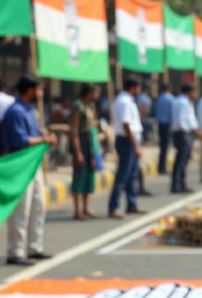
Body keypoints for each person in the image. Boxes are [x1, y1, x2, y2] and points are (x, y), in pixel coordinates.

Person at [0, 75, 57, 266]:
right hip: (20, 164)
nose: (41, 93)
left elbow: (34, 134)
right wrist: (44, 140)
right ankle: (15, 251)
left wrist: (44, 136)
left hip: (34, 163)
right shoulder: (15, 111)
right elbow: (20, 141)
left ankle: (34, 247)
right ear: (30, 90)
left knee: (38, 206)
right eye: (39, 89)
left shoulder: (29, 110)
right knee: (21, 209)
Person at [109, 77, 147, 218]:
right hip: (127, 141)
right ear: (133, 87)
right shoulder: (124, 102)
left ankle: (132, 204)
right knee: (123, 175)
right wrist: (135, 145)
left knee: (132, 175)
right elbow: (126, 125)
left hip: (130, 140)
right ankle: (113, 207)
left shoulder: (127, 100)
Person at [70, 83, 101, 220]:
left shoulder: (90, 106)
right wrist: (78, 152)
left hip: (90, 142)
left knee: (89, 176)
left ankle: (86, 207)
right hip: (81, 142)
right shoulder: (78, 106)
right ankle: (77, 210)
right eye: (95, 93)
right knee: (79, 176)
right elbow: (74, 130)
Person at [171, 84, 202, 193]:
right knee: (181, 160)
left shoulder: (182, 101)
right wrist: (187, 132)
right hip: (183, 133)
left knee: (183, 160)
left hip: (183, 132)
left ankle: (181, 184)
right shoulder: (183, 102)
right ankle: (177, 185)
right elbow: (182, 119)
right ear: (189, 92)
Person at [153, 84, 174, 175]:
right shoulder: (170, 98)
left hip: (160, 124)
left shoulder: (159, 99)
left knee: (162, 146)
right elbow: (173, 112)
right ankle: (163, 167)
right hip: (168, 124)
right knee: (165, 147)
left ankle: (161, 166)